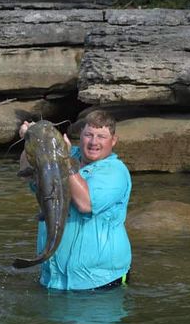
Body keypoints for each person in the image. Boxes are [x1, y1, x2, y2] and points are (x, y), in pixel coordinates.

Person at [18, 111, 132, 291]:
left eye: (101, 136)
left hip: (100, 283)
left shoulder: (115, 172)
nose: (94, 142)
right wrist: (31, 140)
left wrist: (63, 158)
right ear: (80, 135)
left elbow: (85, 204)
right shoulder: (64, 154)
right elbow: (29, 174)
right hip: (52, 279)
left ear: (113, 140)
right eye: (88, 135)